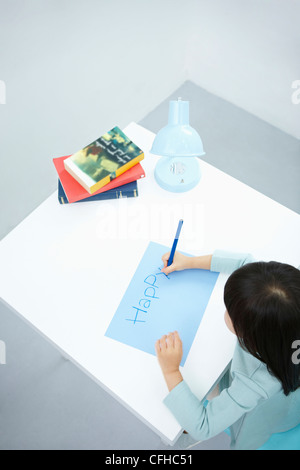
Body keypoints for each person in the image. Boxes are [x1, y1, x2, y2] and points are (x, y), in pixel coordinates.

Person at [155, 250, 300, 450]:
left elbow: (203, 426)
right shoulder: (289, 305)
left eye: (230, 311)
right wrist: (189, 261)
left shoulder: (254, 383)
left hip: (272, 413)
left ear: (251, 336)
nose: (226, 311)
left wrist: (170, 370)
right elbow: (244, 262)